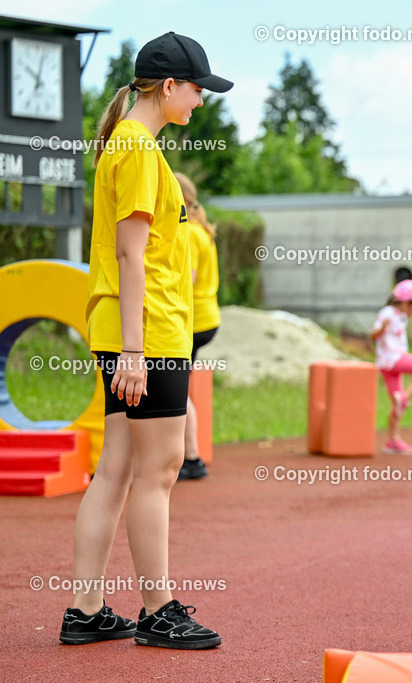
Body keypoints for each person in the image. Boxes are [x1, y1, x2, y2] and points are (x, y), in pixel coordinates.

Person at [60, 32, 231, 649]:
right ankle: (158, 610)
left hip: (137, 329)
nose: (201, 101)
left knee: (119, 467)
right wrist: (135, 351)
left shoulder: (131, 145)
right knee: (156, 471)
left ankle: (85, 610)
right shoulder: (136, 148)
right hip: (147, 333)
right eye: (197, 89)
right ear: (168, 87)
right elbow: (132, 257)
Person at [174, 172, 219, 481]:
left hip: (193, 319)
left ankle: (192, 456)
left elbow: (185, 282)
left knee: (177, 391)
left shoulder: (189, 232)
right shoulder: (202, 229)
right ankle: (189, 455)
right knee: (180, 386)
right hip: (206, 317)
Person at [370, 279, 412, 454]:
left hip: (386, 364)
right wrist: (381, 329)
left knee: (396, 404)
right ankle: (405, 398)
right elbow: (373, 334)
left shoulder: (401, 312)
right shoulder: (387, 313)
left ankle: (393, 440)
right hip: (393, 359)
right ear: (406, 303)